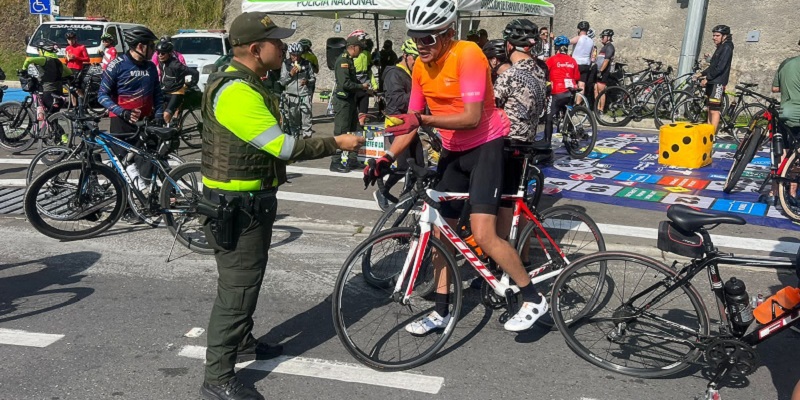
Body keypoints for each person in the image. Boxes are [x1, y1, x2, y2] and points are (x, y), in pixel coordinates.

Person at [198, 13, 363, 400]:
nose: (285, 46)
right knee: (237, 290)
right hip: (236, 207)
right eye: (277, 41)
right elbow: (284, 147)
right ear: (256, 49)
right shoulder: (238, 91)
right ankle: (217, 376)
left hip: (245, 203)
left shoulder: (244, 78)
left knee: (246, 281)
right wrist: (336, 144)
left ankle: (241, 341)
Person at [365, 0, 548, 334]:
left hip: (486, 146)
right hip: (452, 150)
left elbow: (472, 117)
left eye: (429, 38)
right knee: (439, 233)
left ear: (448, 33)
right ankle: (441, 311)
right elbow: (410, 123)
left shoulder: (468, 55)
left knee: (483, 233)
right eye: (416, 38)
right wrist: (385, 159)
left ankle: (532, 297)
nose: (422, 46)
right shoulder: (420, 68)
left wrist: (421, 118)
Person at [98, 26, 163, 194]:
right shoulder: (117, 66)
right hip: (121, 123)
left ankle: (148, 198)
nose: (154, 50)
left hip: (145, 123)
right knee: (125, 167)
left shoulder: (150, 67)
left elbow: (158, 94)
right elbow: (102, 96)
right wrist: (122, 112)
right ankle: (127, 206)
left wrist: (159, 115)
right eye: (151, 46)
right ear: (140, 46)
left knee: (148, 162)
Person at [373, 38, 425, 210]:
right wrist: (419, 94)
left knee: (418, 166)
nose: (417, 62)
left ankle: (408, 197)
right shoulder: (394, 73)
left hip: (411, 125)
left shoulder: (411, 73)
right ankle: (382, 191)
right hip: (397, 126)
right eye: (414, 58)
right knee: (403, 166)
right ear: (405, 56)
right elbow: (395, 103)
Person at [331, 36, 371, 172]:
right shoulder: (343, 61)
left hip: (350, 100)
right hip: (343, 102)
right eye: (359, 48)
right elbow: (345, 83)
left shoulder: (349, 60)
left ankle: (353, 159)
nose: (360, 52)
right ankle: (335, 162)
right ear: (353, 47)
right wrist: (361, 87)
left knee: (355, 129)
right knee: (341, 132)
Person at [771, 43, 800, 205]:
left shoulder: (786, 63)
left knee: (784, 150)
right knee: (798, 155)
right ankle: (793, 192)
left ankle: (776, 190)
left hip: (785, 112)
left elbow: (775, 88)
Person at [545, 35, 581, 147]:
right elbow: (577, 77)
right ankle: (571, 138)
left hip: (557, 92)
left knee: (549, 118)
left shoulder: (552, 59)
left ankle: (546, 142)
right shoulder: (572, 60)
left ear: (557, 47)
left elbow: (544, 73)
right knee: (567, 114)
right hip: (570, 92)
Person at [699, 25, 734, 132]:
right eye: (713, 35)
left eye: (717, 35)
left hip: (717, 83)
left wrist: (707, 78)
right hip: (713, 82)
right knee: (710, 109)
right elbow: (713, 65)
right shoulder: (720, 47)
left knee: (714, 110)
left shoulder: (727, 47)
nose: (714, 38)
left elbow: (720, 67)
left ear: (725, 36)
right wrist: (701, 73)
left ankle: (711, 135)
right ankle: (708, 132)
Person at [23, 40, 73, 116]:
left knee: (46, 115)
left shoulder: (44, 59)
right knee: (53, 117)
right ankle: (55, 127)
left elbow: (29, 59)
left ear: (43, 51)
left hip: (47, 92)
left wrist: (23, 70)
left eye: (39, 50)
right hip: (59, 91)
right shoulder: (58, 62)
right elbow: (69, 72)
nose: (38, 52)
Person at [156, 40, 199, 125]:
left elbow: (195, 72)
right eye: (158, 52)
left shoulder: (176, 65)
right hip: (165, 90)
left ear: (169, 53)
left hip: (176, 91)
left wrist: (190, 84)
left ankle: (167, 135)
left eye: (163, 53)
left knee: (166, 115)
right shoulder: (161, 62)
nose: (160, 55)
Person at [279, 42, 316, 138]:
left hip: (304, 95)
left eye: (298, 55)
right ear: (290, 54)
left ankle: (308, 143)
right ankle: (294, 143)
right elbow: (282, 82)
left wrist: (307, 82)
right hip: (291, 96)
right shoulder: (285, 64)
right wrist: (290, 74)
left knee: (307, 121)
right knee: (293, 122)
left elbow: (313, 78)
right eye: (293, 55)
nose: (296, 57)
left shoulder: (307, 63)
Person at [570, 21, 593, 105]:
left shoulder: (579, 38)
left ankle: (570, 102)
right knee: (582, 85)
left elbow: (567, 42)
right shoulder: (591, 41)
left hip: (576, 63)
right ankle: (578, 103)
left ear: (579, 29)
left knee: (572, 83)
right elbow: (591, 55)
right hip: (586, 64)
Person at [65, 31, 89, 106]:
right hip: (69, 69)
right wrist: (66, 58)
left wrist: (76, 57)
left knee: (77, 89)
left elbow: (87, 59)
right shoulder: (67, 48)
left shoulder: (81, 47)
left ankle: (83, 105)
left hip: (78, 69)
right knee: (71, 89)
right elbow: (66, 60)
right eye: (69, 40)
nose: (71, 41)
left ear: (75, 39)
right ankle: (74, 107)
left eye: (72, 39)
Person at [595, 29, 616, 113]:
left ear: (608, 37)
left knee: (601, 90)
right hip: (599, 71)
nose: (601, 38)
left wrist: (601, 71)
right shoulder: (604, 47)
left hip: (604, 72)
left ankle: (601, 109)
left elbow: (606, 60)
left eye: (603, 37)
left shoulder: (610, 47)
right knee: (596, 89)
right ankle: (596, 107)